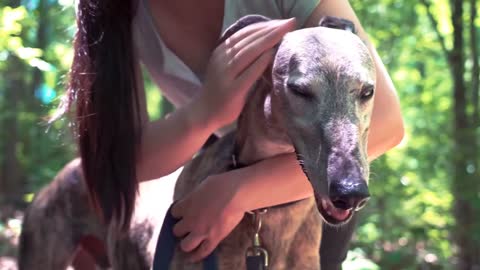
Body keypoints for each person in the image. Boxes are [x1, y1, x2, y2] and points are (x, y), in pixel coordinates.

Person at [65, 0, 404, 268]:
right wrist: (206, 112)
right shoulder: (111, 12)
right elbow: (115, 164)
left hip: (308, 188)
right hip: (219, 164)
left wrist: (240, 192)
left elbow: (387, 127)